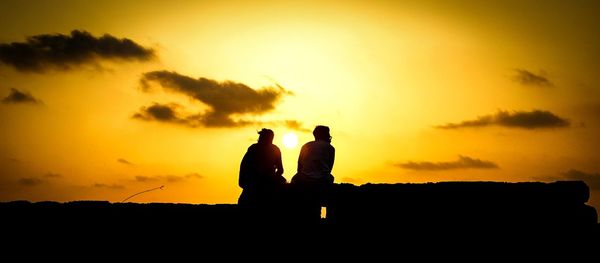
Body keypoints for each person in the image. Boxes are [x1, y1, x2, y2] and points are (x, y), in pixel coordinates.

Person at [290, 125, 335, 224]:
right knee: (331, 178)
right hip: (322, 181)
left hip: (305, 180)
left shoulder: (306, 145)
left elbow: (299, 166)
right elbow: (329, 168)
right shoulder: (330, 148)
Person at [238, 128, 286, 215]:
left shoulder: (253, 148)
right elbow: (281, 170)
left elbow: (244, 166)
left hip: (254, 182)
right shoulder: (274, 149)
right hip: (258, 182)